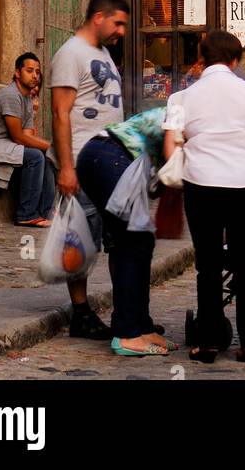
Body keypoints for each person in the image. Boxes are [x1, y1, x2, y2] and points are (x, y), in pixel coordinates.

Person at [164, 30, 245, 364]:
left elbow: (171, 146)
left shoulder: (182, 99)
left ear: (202, 58)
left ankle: (209, 343)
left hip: (202, 185)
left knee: (208, 266)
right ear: (235, 60)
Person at [50, 0, 129, 341]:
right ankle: (81, 313)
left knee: (119, 237)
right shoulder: (71, 53)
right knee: (81, 237)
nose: (122, 31)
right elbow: (60, 112)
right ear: (99, 17)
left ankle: (129, 315)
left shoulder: (104, 53)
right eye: (119, 23)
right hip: (81, 159)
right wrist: (67, 167)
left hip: (110, 160)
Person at [77, 105, 176, 357]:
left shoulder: (193, 107)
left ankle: (141, 327)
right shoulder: (189, 109)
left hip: (107, 157)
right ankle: (127, 334)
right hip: (110, 156)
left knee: (140, 243)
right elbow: (174, 164)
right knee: (132, 243)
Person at [0, 52, 55, 226]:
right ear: (17, 73)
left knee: (46, 156)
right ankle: (27, 214)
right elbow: (19, 138)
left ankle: (45, 214)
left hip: (2, 145)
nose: (35, 75)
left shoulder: (27, 100)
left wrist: (49, 149)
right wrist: (53, 145)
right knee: (36, 156)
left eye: (37, 72)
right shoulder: (10, 95)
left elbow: (28, 137)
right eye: (29, 70)